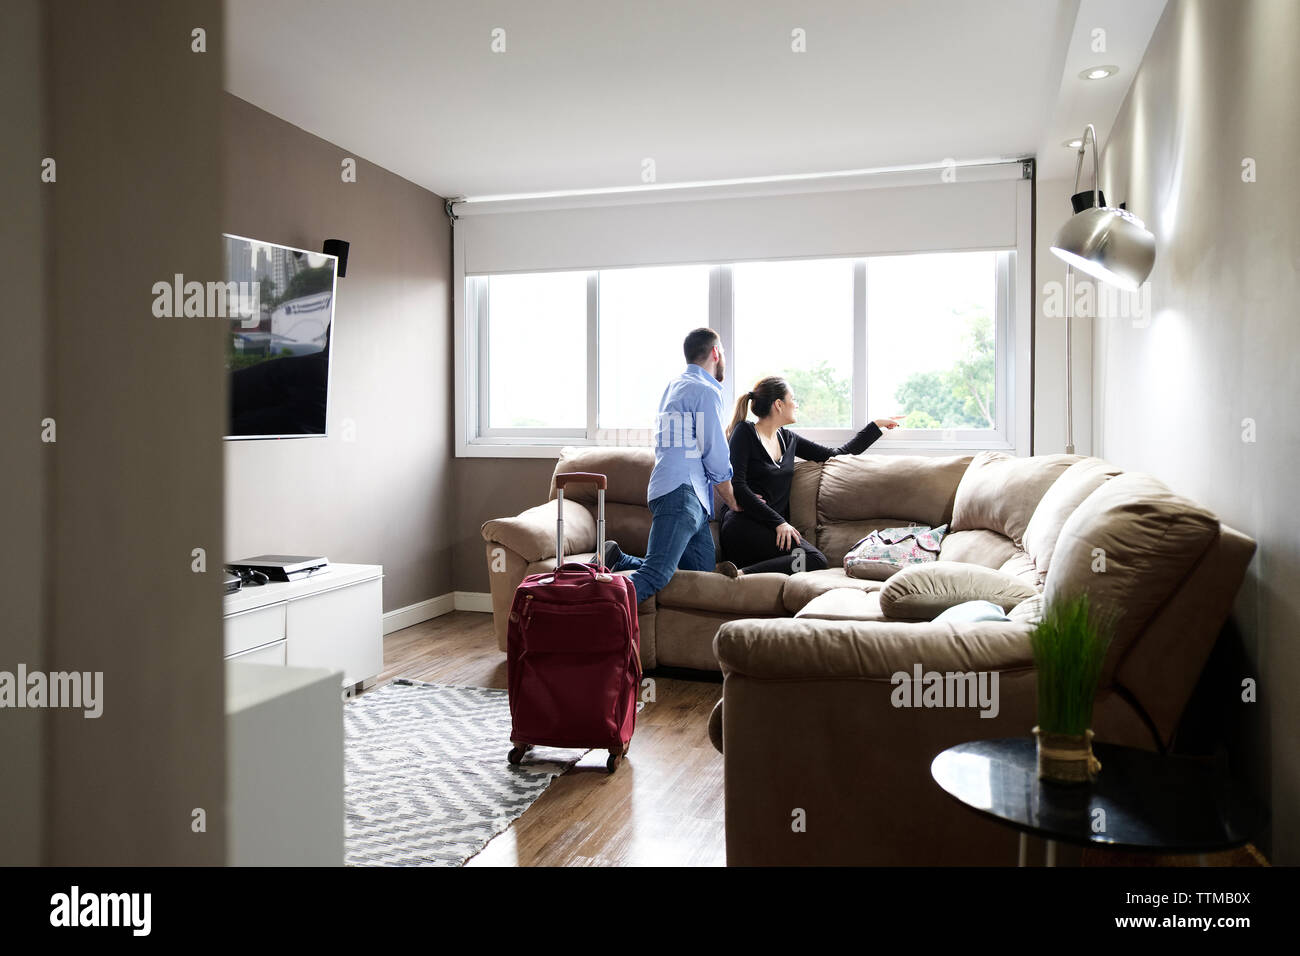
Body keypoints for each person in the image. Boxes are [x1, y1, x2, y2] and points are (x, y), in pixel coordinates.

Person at [602, 328, 742, 604]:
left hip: (682, 494)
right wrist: (734, 501)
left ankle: (620, 560)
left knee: (699, 575)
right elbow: (714, 453)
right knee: (655, 575)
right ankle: (593, 612)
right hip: (682, 493)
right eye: (723, 352)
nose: (723, 357)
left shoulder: (675, 385)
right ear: (715, 353)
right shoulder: (705, 391)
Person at [716, 376, 903, 576]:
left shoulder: (788, 439)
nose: (796, 405)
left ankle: (740, 573)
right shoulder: (744, 432)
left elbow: (835, 455)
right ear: (779, 405)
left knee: (812, 560)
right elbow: (738, 485)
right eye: (793, 399)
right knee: (815, 559)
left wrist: (875, 427)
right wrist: (779, 522)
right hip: (743, 525)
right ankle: (738, 574)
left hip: (772, 531)